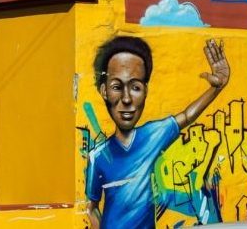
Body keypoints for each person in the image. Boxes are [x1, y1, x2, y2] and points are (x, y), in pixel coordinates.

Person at [86, 36, 230, 228]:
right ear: (104, 91)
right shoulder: (97, 156)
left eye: (135, 87)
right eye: (117, 87)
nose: (126, 99)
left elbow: (187, 116)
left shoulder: (153, 135)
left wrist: (216, 88)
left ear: (145, 91)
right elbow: (91, 208)